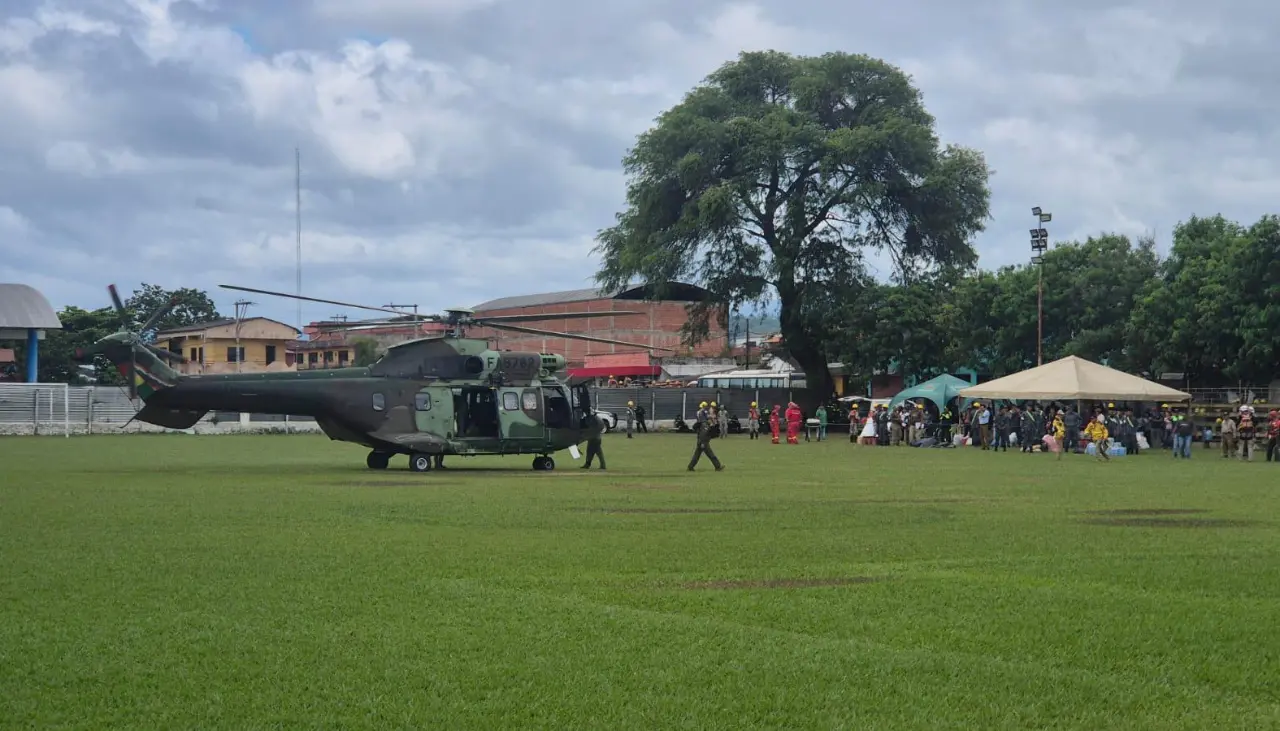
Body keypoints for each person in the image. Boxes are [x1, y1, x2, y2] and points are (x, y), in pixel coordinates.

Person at [687, 406, 724, 471]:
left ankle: (690, 467)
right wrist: (702, 443)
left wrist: (714, 425)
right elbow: (703, 435)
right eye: (711, 420)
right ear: (708, 419)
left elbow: (713, 434)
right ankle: (718, 466)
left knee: (696, 456)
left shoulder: (706, 425)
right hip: (703, 443)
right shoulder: (705, 426)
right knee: (711, 455)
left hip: (701, 442)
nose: (712, 421)